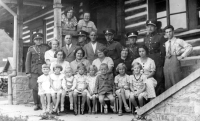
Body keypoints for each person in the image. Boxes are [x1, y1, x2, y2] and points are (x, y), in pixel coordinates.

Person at [163, 25, 193, 89]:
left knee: (176, 80)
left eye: (170, 31)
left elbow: (189, 47)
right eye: (167, 32)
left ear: (173, 32)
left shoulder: (179, 41)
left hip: (175, 61)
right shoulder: (166, 43)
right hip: (167, 62)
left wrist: (182, 56)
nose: (169, 33)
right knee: (168, 81)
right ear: (165, 34)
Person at [25, 33, 49, 111]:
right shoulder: (31, 48)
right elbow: (28, 61)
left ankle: (42, 104)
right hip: (34, 70)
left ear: (42, 40)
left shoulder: (46, 48)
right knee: (35, 87)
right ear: (34, 40)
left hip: (43, 70)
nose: (38, 41)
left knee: (43, 86)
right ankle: (36, 104)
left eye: (40, 39)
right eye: (36, 39)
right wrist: (28, 72)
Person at [142, 19, 166, 95]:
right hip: (148, 60)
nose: (150, 28)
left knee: (159, 78)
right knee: (149, 79)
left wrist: (161, 62)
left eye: (152, 26)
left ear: (155, 28)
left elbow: (163, 51)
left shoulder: (160, 37)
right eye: (148, 26)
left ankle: (159, 96)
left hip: (157, 59)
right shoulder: (145, 38)